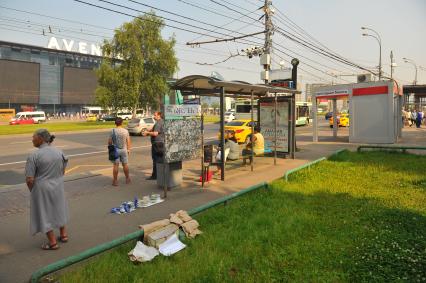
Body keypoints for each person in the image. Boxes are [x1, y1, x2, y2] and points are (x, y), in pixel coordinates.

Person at [25, 129, 69, 250]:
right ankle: (64, 235)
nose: (32, 139)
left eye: (34, 137)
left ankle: (53, 242)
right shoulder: (59, 152)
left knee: (44, 213)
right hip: (58, 185)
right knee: (60, 208)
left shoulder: (34, 155)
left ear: (41, 139)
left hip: (42, 187)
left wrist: (32, 190)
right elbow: (63, 171)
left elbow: (29, 179)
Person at [108, 117, 131, 186]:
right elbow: (128, 141)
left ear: (115, 123)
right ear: (122, 123)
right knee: (125, 164)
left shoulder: (113, 131)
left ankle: (115, 181)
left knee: (116, 165)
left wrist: (111, 147)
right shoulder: (125, 131)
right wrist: (128, 149)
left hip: (116, 150)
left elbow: (109, 141)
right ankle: (127, 179)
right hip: (124, 150)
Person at [143, 111, 164, 180]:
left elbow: (155, 133)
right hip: (161, 143)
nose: (153, 116)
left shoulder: (158, 123)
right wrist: (149, 131)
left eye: (155, 115)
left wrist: (147, 132)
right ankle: (160, 175)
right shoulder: (162, 122)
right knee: (160, 159)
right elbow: (154, 130)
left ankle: (155, 176)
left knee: (156, 160)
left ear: (159, 116)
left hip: (157, 144)